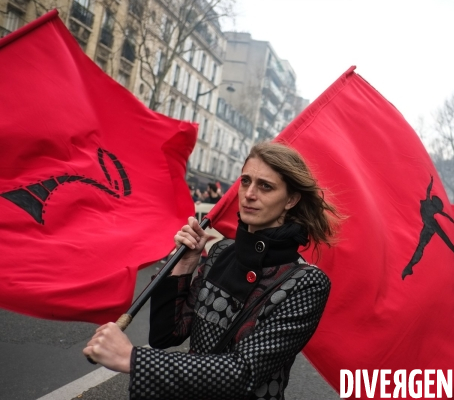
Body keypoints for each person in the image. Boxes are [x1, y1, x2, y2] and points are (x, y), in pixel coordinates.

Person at [83, 142, 343, 399]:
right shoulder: (221, 251)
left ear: (291, 200)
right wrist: (184, 267)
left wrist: (134, 360)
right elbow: (166, 335)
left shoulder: (307, 282)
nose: (250, 194)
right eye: (245, 181)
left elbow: (246, 373)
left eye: (266, 186)